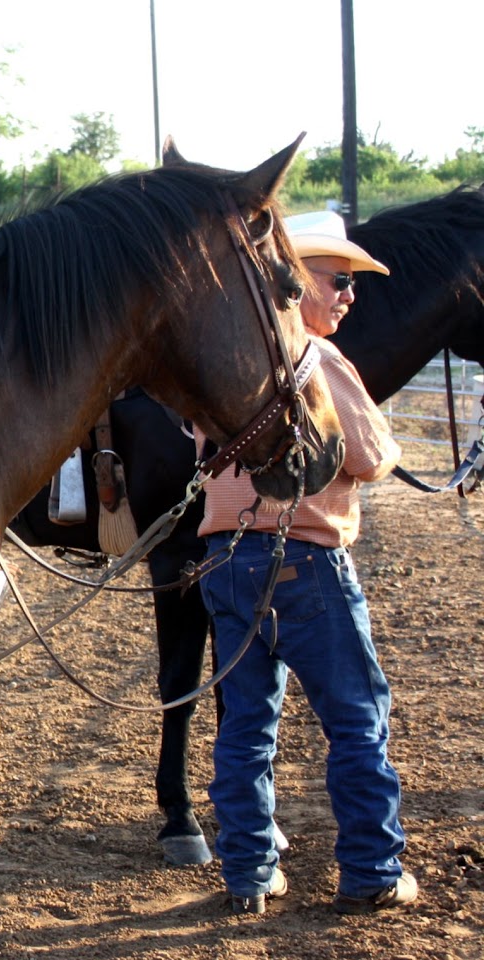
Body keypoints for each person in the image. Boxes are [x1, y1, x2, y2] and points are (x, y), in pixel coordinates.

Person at [198, 210, 418, 917]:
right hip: (307, 560)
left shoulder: (228, 360)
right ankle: (372, 869)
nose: (349, 295)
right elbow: (369, 456)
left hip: (225, 560)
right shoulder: (318, 360)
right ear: (296, 283)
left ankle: (249, 872)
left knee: (245, 725)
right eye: (338, 280)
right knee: (356, 717)